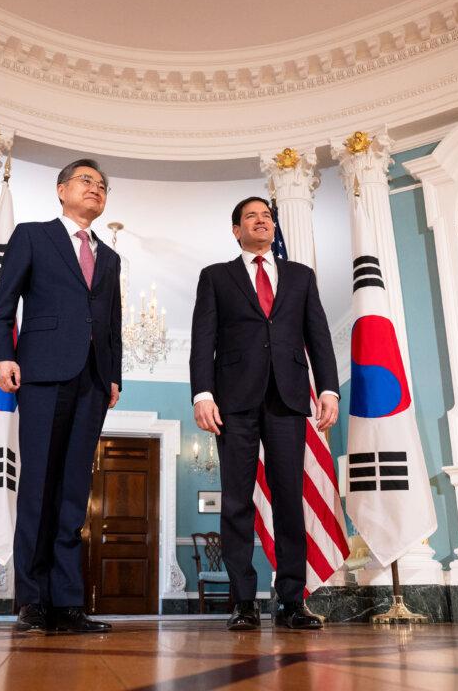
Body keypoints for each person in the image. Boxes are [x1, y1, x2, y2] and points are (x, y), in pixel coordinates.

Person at [189, 196, 339, 631]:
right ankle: (243, 602)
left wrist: (327, 388)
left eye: (267, 216)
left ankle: (292, 601)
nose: (262, 221)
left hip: (289, 399)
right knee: (236, 500)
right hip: (234, 401)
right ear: (236, 230)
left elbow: (319, 335)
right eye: (251, 216)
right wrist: (203, 394)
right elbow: (204, 339)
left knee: (289, 499)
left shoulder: (301, 276)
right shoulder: (216, 277)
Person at [0, 159, 122, 634]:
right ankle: (33, 601)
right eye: (87, 180)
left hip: (92, 380)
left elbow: (112, 322)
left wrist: (114, 375)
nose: (96, 188)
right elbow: (3, 303)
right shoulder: (31, 235)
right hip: (43, 372)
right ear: (61, 189)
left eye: (102, 185)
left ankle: (68, 603)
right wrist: (2, 356)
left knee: (73, 494)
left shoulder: (110, 257)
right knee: (40, 485)